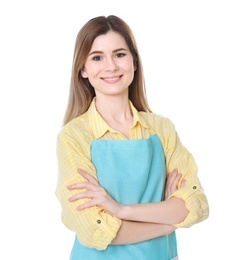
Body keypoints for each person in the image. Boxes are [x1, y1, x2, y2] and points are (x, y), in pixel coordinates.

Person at [55, 15, 209, 260]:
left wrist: (119, 209)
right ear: (83, 69)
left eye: (119, 54)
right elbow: (95, 229)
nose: (111, 66)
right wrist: (169, 221)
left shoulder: (162, 129)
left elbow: (195, 205)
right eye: (97, 57)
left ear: (134, 62)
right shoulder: (74, 136)